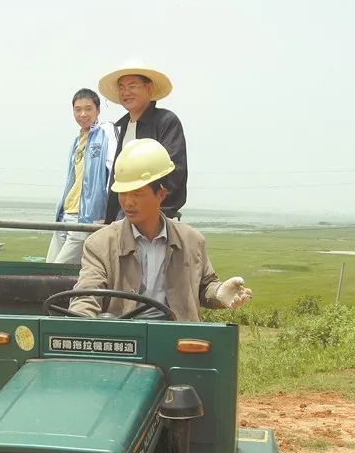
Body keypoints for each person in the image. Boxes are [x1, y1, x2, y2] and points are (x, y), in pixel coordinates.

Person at [69, 139, 251, 321]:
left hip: (177, 337)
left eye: (137, 194)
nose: (128, 202)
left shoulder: (192, 241)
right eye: (123, 194)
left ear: (161, 194)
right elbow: (87, 293)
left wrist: (219, 293)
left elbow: (204, 285)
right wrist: (78, 322)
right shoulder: (100, 244)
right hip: (123, 340)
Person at [98, 60, 187, 223]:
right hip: (122, 216)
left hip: (156, 215)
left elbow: (174, 172)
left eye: (132, 86)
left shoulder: (166, 122)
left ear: (149, 88)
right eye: (122, 87)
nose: (126, 92)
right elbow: (115, 178)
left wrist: (153, 209)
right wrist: (108, 219)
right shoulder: (119, 128)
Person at [46, 88, 117, 264]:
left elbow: (113, 172)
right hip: (65, 214)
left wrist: (108, 214)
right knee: (47, 267)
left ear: (98, 110)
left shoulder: (106, 132)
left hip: (86, 216)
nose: (83, 114)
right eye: (78, 109)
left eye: (88, 109)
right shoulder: (77, 141)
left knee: (59, 269)